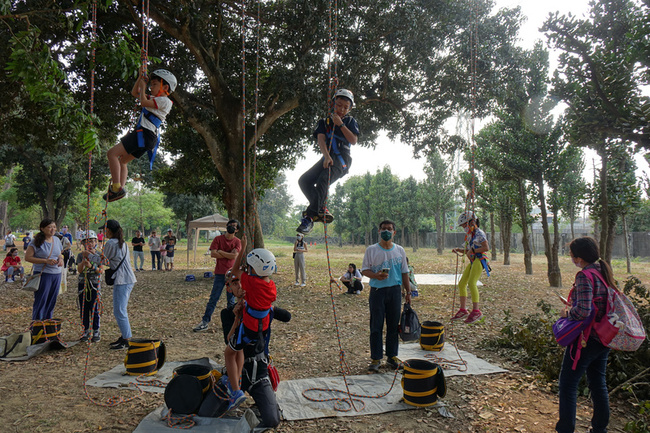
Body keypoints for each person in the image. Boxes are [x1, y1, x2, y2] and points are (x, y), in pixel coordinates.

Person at [556, 237, 612, 433]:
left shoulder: (584, 276)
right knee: (598, 384)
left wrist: (567, 313)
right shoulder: (602, 271)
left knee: (568, 385)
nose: (571, 259)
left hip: (585, 340)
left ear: (578, 258)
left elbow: (583, 312)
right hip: (604, 338)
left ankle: (565, 429)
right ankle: (599, 429)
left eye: (571, 256)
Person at [103, 69, 176, 202]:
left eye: (154, 84)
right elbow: (134, 93)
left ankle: (116, 187)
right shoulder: (156, 99)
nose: (151, 87)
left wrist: (143, 88)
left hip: (144, 134)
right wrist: (140, 79)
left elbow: (143, 102)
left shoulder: (165, 101)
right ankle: (119, 189)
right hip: (147, 137)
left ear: (165, 87)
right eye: (151, 84)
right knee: (123, 161)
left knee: (111, 154)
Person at [223, 234, 277, 410]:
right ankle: (237, 381)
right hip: (262, 329)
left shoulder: (250, 283)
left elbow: (234, 270)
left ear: (253, 270)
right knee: (238, 351)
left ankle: (236, 391)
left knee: (229, 353)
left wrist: (243, 247)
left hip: (249, 330)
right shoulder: (271, 286)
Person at [296, 89, 359, 234]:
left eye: (345, 107)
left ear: (349, 109)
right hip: (327, 156)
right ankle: (321, 207)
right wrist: (326, 156)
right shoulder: (325, 122)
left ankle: (310, 218)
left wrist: (341, 124)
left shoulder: (350, 121)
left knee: (324, 179)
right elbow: (321, 139)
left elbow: (353, 140)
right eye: (339, 105)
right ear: (333, 104)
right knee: (304, 180)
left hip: (342, 159)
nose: (341, 109)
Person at [361, 220, 411, 372]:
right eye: (383, 229)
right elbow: (364, 270)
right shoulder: (371, 250)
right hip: (377, 292)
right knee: (376, 326)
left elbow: (404, 272)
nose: (386, 231)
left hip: (395, 291)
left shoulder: (400, 250)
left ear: (394, 232)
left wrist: (408, 292)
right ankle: (376, 358)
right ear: (379, 231)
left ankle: (392, 356)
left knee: (393, 326)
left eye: (389, 229)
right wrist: (375, 275)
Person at [193, 220, 242, 332]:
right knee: (213, 298)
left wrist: (221, 252)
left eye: (234, 226)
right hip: (220, 273)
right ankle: (205, 322)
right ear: (226, 226)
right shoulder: (218, 239)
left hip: (232, 274)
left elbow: (234, 256)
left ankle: (231, 323)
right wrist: (227, 254)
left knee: (231, 300)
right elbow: (213, 254)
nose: (231, 227)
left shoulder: (237, 241)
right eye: (230, 225)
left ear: (237, 230)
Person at [103, 219, 137, 350]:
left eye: (105, 229)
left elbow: (103, 260)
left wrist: (88, 255)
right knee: (120, 310)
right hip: (127, 279)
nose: (103, 232)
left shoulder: (111, 243)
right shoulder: (122, 243)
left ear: (109, 230)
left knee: (119, 311)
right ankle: (125, 336)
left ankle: (127, 339)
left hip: (122, 279)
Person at [451, 211, 489, 324]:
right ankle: (463, 310)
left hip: (480, 259)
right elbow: (468, 251)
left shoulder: (479, 233)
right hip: (473, 260)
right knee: (462, 283)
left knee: (472, 283)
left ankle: (476, 311)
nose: (464, 228)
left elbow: (486, 247)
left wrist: (473, 251)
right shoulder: (471, 235)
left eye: (464, 225)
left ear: (472, 222)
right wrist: (459, 250)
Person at [24, 218, 65, 320]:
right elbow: (28, 258)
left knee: (51, 300)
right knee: (41, 300)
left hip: (56, 274)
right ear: (42, 228)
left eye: (54, 227)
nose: (52, 229)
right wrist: (45, 261)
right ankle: (37, 325)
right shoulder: (36, 242)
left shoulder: (56, 240)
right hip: (43, 274)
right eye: (49, 227)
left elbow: (60, 253)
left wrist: (60, 259)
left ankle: (47, 324)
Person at [76, 230, 102, 343]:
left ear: (96, 241)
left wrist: (91, 266)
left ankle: (96, 330)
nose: (90, 244)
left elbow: (101, 270)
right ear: (83, 243)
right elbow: (79, 270)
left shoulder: (99, 255)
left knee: (94, 307)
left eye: (92, 241)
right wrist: (83, 261)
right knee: (84, 308)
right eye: (87, 242)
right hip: (83, 283)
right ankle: (86, 329)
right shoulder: (80, 255)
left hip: (94, 284)